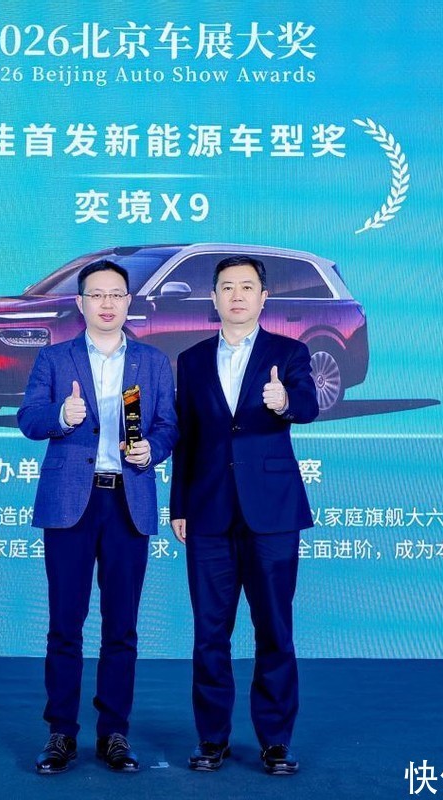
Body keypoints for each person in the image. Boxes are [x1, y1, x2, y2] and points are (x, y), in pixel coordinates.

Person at [18, 259, 179, 775]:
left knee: (122, 626)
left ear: (129, 302)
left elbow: (169, 425)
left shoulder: (153, 362)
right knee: (65, 624)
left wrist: (152, 450)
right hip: (71, 503)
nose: (107, 303)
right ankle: (61, 733)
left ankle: (114, 732)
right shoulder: (54, 358)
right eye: (97, 295)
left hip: (127, 502)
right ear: (81, 303)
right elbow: (28, 418)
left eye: (116, 295)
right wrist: (60, 416)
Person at [169, 254, 319, 776]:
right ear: (213, 298)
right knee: (210, 632)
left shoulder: (289, 352)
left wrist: (284, 401)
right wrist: (179, 505)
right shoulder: (191, 360)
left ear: (263, 298)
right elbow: (186, 437)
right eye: (227, 287)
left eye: (247, 286)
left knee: (274, 628)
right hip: (208, 510)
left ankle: (275, 740)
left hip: (272, 512)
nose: (237, 295)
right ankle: (212, 738)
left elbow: (308, 404)